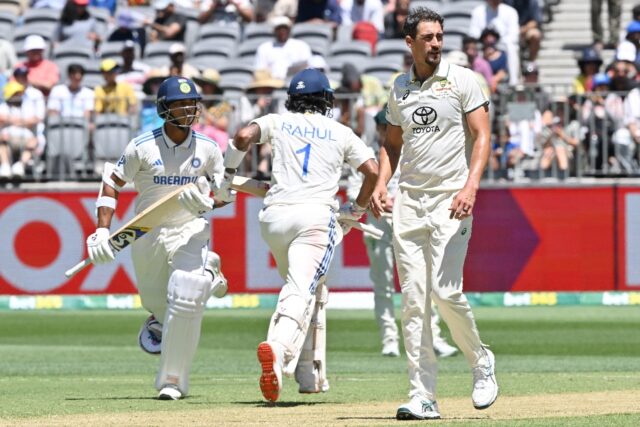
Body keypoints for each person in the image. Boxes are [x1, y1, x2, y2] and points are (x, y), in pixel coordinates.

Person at [219, 67, 378, 402]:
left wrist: (225, 177)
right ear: (327, 101)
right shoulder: (340, 132)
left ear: (292, 99)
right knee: (301, 289)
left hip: (274, 220)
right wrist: (357, 209)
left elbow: (242, 137)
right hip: (315, 219)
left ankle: (310, 375)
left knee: (312, 289)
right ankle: (279, 352)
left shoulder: (277, 121)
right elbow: (373, 171)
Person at [370, 8, 497, 420]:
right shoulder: (399, 88)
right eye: (427, 37)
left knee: (445, 292)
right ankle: (422, 394)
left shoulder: (461, 79)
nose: (436, 43)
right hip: (408, 202)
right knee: (413, 301)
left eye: (440, 36)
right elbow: (392, 145)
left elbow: (482, 136)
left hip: (450, 199)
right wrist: (380, 185)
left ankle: (480, 362)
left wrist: (470, 186)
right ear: (410, 42)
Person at [84, 76, 230, 400]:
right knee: (161, 307)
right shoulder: (141, 146)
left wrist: (208, 201)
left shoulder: (208, 148)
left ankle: (172, 381)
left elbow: (224, 192)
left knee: (186, 292)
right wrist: (102, 230)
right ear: (165, 108)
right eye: (181, 103)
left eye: (192, 103)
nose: (190, 108)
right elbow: (112, 184)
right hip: (147, 231)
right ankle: (209, 275)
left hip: (190, 228)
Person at [347, 107, 458, 358]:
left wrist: (399, 201)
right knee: (383, 284)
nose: (391, 132)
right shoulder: (365, 156)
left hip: (408, 224)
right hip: (378, 227)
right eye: (386, 128)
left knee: (421, 283)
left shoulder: (412, 152)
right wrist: (377, 199)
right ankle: (389, 338)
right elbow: (357, 191)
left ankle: (433, 338)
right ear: (378, 129)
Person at [254, 16, 312, 80]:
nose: (282, 31)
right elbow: (260, 70)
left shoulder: (301, 46)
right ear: (274, 30)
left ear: (289, 29)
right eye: (279, 28)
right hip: (272, 83)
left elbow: (307, 66)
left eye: (284, 28)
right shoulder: (264, 48)